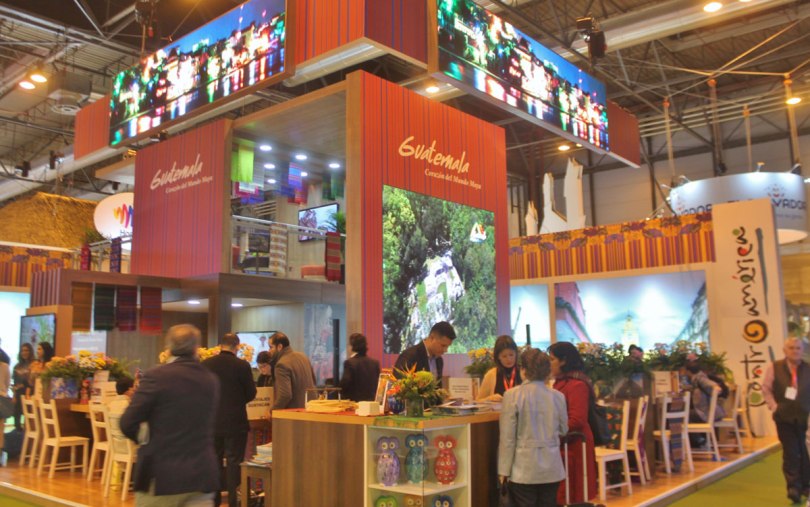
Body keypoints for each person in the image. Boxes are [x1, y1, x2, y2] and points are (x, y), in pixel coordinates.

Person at [120, 324, 220, 506]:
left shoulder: (156, 376)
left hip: (162, 476)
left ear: (169, 348)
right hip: (201, 475)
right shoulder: (210, 379)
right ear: (196, 348)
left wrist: (145, 438)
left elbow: (127, 423)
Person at [499, 348, 567, 507]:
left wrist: (503, 471)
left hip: (524, 468)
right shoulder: (558, 396)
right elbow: (564, 429)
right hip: (552, 467)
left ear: (523, 370)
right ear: (547, 371)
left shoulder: (512, 395)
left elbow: (507, 439)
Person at [203, 333, 257, 507]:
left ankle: (214, 501)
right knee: (235, 463)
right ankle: (234, 502)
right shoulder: (242, 365)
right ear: (237, 346)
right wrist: (237, 401)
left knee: (214, 461)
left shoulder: (206, 364)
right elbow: (251, 393)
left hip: (212, 422)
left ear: (220, 345)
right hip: (236, 422)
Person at [548, 341, 597, 504]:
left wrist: (553, 431)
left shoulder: (577, 384)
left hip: (575, 444)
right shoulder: (560, 382)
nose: (549, 364)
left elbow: (577, 419)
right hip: (564, 442)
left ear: (563, 361)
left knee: (573, 494)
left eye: (552, 359)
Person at [763, 337, 810, 504]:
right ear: (785, 350)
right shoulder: (774, 367)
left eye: (798, 348)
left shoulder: (808, 368)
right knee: (791, 452)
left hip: (805, 417)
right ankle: (793, 487)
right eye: (791, 347)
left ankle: (806, 485)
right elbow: (766, 389)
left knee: (805, 452)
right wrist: (774, 406)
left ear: (802, 350)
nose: (795, 351)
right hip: (784, 417)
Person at [269, 332, 316, 410]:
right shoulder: (303, 357)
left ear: (279, 347)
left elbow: (285, 395)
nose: (269, 350)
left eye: (271, 347)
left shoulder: (281, 364)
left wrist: (272, 411)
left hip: (294, 413)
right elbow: (313, 381)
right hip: (311, 409)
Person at [478, 335, 522, 402]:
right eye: (504, 356)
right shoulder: (491, 375)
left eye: (511, 355)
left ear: (516, 354)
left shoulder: (523, 372)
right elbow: (478, 401)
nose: (509, 359)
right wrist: (489, 399)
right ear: (498, 357)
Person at [339, 333, 381, 402]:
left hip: (354, 404)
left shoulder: (349, 363)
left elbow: (345, 384)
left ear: (352, 346)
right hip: (372, 404)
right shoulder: (375, 363)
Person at [12, 343, 33, 430]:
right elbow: (15, 382)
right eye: (22, 351)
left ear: (30, 352)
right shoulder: (17, 366)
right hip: (18, 393)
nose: (24, 352)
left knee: (28, 416)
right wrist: (14, 395)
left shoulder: (34, 365)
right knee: (17, 415)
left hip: (29, 393)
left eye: (26, 350)